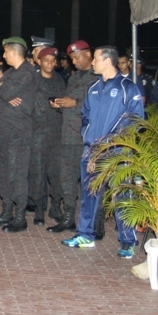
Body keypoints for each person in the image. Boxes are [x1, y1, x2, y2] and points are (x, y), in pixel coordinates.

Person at [62, 46, 144, 258]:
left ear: (107, 61)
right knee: (89, 195)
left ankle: (127, 241)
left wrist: (111, 142)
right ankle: (85, 235)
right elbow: (85, 115)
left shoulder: (128, 88)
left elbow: (136, 121)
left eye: (96, 59)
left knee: (121, 195)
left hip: (118, 153)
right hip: (92, 151)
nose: (92, 63)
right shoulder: (93, 88)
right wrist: (87, 135)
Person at [0, 37, 38, 233]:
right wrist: (2, 91)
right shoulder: (9, 73)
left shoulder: (27, 73)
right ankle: (7, 212)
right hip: (2, 131)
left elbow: (3, 92)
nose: (4, 56)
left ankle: (20, 217)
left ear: (14, 52)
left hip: (17, 132)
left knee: (17, 174)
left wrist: (0, 88)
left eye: (6, 52)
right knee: (2, 173)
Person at [47, 40, 96, 232]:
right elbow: (69, 105)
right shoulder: (74, 78)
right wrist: (60, 105)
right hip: (68, 136)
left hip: (88, 138)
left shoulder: (99, 77)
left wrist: (74, 103)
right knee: (67, 178)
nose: (73, 62)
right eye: (71, 59)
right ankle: (68, 217)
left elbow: (100, 105)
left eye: (76, 57)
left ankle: (96, 222)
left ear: (88, 54)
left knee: (91, 181)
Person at [28, 47, 65, 225]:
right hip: (37, 134)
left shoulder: (59, 81)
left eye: (52, 60)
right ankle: (39, 209)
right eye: (46, 60)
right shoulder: (33, 81)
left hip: (56, 134)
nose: (50, 63)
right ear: (39, 62)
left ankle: (55, 206)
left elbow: (66, 104)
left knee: (56, 173)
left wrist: (60, 106)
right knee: (37, 173)